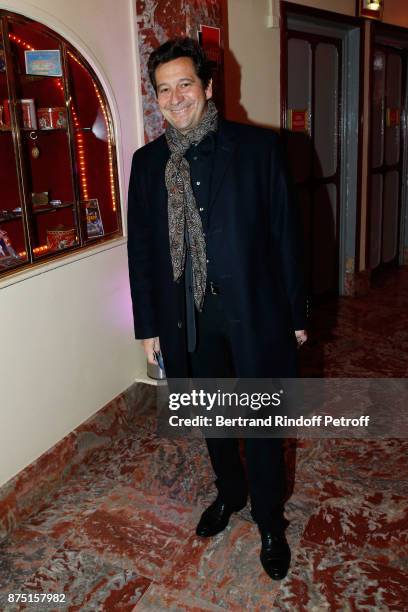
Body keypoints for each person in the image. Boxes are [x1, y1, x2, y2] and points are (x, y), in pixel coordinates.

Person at [127, 37, 308, 581]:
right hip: (186, 317)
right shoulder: (147, 163)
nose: (176, 97)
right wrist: (148, 326)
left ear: (207, 87)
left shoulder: (258, 149)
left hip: (254, 311)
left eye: (186, 84)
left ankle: (271, 519)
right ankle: (230, 493)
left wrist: (297, 314)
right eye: (165, 89)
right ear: (156, 98)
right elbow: (141, 250)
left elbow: (286, 236)